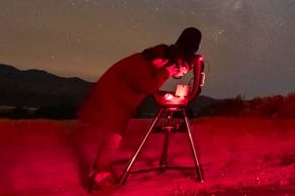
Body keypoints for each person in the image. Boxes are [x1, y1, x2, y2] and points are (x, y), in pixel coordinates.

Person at [75, 27, 202, 191]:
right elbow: (147, 85)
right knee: (114, 136)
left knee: (114, 134)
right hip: (116, 91)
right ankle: (99, 179)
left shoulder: (163, 53)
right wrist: (166, 72)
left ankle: (100, 172)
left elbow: (151, 80)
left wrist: (166, 79)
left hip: (119, 90)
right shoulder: (160, 58)